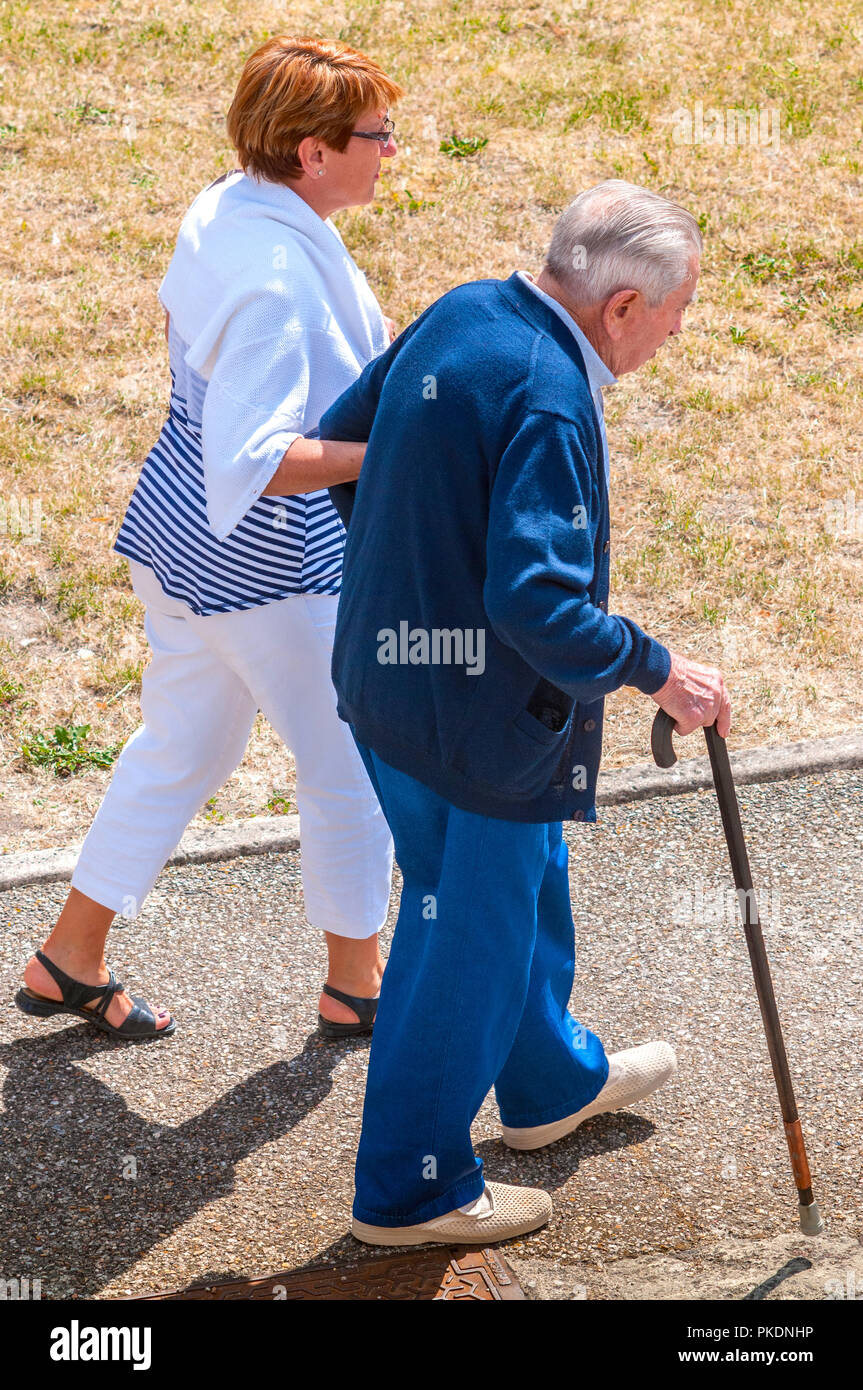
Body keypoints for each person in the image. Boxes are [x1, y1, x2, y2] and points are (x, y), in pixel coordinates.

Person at [320, 180, 732, 1244]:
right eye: (674, 319)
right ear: (622, 307)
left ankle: (547, 1082)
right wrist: (654, 670)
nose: (671, 342)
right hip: (477, 728)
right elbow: (537, 601)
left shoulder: (464, 309)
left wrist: (421, 581)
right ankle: (409, 1190)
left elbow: (343, 446)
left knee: (509, 884)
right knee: (467, 937)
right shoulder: (552, 394)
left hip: (385, 686)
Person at [16, 37, 402, 1041]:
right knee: (350, 760)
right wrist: (391, 443)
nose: (391, 151)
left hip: (176, 536)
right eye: (376, 135)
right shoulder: (275, 283)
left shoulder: (230, 206)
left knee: (183, 744)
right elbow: (262, 457)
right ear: (313, 152)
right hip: (269, 566)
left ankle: (71, 954)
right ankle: (359, 984)